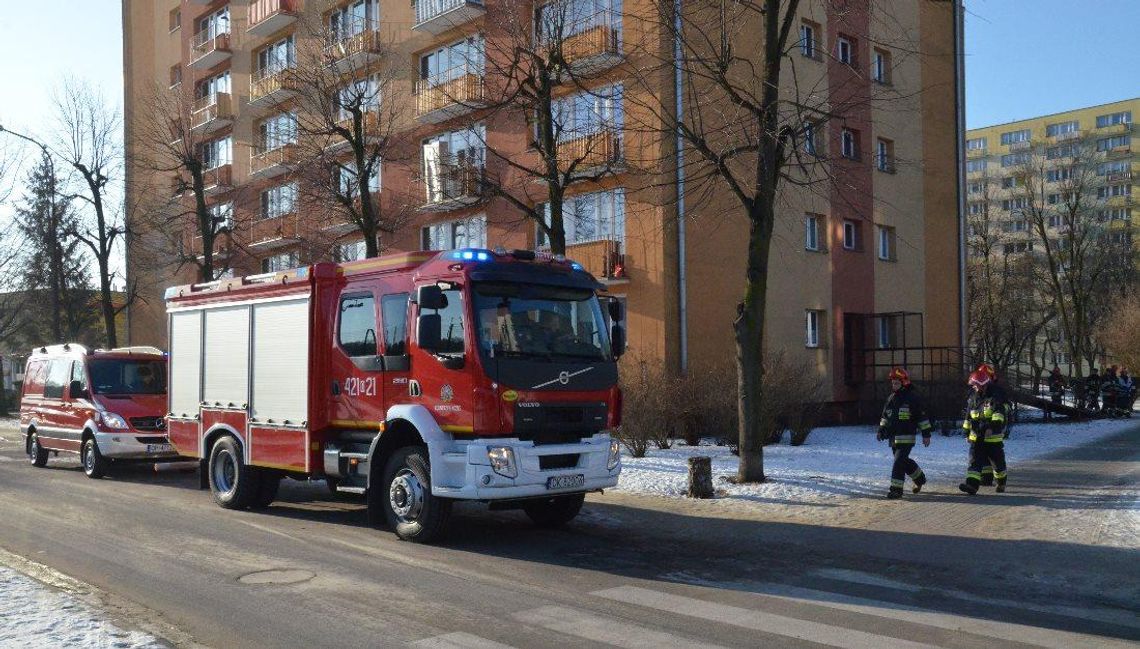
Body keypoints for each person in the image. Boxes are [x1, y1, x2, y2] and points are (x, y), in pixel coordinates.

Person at [877, 367, 933, 499]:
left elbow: (921, 417)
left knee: (898, 462)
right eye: (893, 383)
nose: (894, 385)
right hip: (893, 438)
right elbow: (885, 417)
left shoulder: (912, 398)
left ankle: (896, 490)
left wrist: (926, 435)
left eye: (896, 383)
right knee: (903, 462)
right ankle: (920, 479)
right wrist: (881, 430)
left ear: (904, 383)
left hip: (906, 437)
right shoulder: (891, 399)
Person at [959, 363, 1010, 495]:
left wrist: (992, 428)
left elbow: (999, 414)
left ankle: (1001, 482)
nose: (974, 387)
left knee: (997, 464)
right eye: (973, 385)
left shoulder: (995, 396)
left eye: (976, 385)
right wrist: (966, 432)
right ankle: (971, 485)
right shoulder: (973, 398)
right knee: (974, 461)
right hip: (977, 436)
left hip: (992, 437)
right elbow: (968, 416)